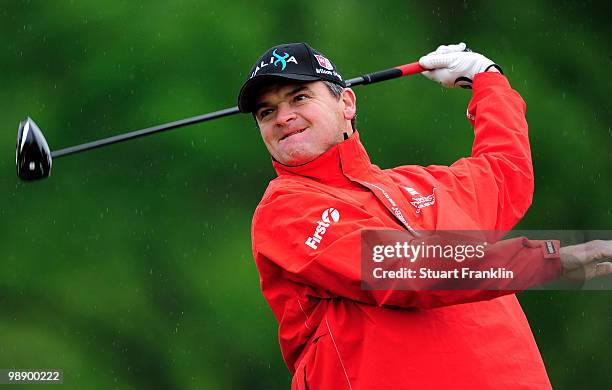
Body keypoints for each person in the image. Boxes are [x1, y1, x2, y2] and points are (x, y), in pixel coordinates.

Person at [237, 42, 612, 389]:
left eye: (299, 97)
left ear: (347, 103)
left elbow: (506, 171)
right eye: (266, 112)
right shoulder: (284, 209)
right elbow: (404, 268)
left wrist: (489, 80)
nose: (283, 117)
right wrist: (548, 260)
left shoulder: (423, 184)